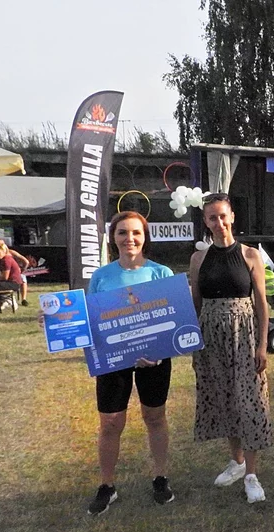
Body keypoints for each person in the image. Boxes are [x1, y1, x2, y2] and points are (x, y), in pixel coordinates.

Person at [84, 211, 175, 514]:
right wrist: (56, 319)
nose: (129, 239)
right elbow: (90, 321)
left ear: (145, 237)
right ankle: (107, 485)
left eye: (136, 232)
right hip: (114, 360)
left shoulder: (161, 273)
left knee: (155, 417)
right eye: (122, 232)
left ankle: (160, 477)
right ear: (113, 237)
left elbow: (173, 319)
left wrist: (160, 350)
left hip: (154, 359)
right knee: (110, 422)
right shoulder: (101, 276)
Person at [190, 193, 272, 503]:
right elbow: (195, 304)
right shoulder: (198, 259)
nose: (219, 222)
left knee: (249, 401)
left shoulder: (250, 255)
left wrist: (262, 345)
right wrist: (193, 344)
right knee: (225, 399)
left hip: (244, 336)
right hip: (211, 338)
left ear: (232, 217)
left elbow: (261, 303)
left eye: (223, 216)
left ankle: (251, 473)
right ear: (206, 221)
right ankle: (236, 462)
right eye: (212, 217)